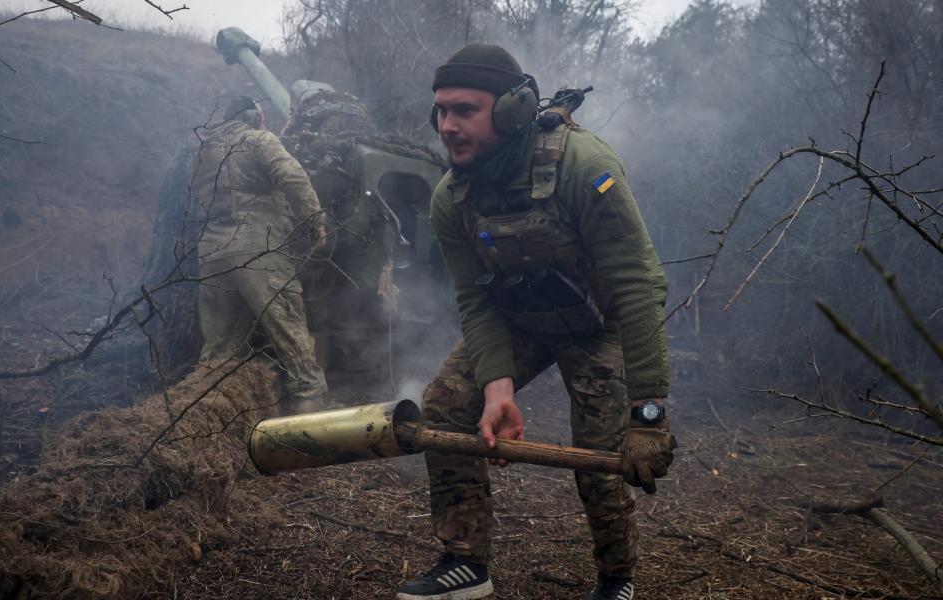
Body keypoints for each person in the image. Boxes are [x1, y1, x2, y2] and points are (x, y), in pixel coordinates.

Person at [396, 44, 676, 600]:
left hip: (597, 324)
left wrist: (648, 414)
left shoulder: (583, 166)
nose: (447, 126)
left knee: (599, 452)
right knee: (447, 407)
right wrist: (496, 388)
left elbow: (637, 286)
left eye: (464, 110)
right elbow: (475, 301)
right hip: (520, 318)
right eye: (441, 112)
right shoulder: (451, 198)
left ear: (512, 110)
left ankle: (616, 577)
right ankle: (465, 563)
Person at [189, 96, 328, 414]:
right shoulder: (258, 140)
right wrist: (315, 220)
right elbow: (292, 176)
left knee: (218, 352)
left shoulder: (201, 153)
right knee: (291, 335)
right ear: (252, 117)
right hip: (257, 249)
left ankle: (205, 419)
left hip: (211, 252)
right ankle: (312, 417)